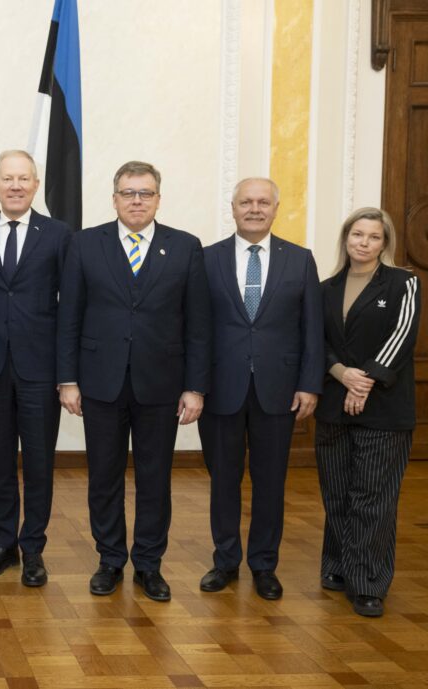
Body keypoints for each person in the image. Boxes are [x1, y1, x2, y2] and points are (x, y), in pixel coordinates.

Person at [57, 161, 211, 602]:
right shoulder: (85, 244)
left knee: (155, 477)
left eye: (145, 193)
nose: (137, 200)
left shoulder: (184, 247)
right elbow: (69, 317)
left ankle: (148, 564)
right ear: (115, 198)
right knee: (103, 476)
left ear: (159, 198)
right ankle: (109, 560)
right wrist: (67, 379)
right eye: (128, 193)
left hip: (162, 385)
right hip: (99, 383)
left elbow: (197, 324)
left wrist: (195, 387)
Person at [198, 178, 323, 600]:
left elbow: (312, 330)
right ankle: (225, 561)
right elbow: (195, 329)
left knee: (270, 481)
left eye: (263, 202)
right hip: (221, 388)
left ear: (276, 208)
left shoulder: (300, 260)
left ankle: (264, 564)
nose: (254, 209)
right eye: (246, 202)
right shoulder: (208, 259)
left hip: (279, 390)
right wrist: (194, 386)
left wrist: (309, 384)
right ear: (232, 208)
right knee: (223, 480)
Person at [0, 151, 71, 586]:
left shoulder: (60, 236)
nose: (16, 186)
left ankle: (34, 549)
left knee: (40, 464)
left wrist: (67, 376)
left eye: (24, 178)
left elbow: (71, 310)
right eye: (8, 178)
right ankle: (3, 544)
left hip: (41, 372)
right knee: (1, 463)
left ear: (36, 184)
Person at [315, 207, 420, 618]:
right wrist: (342, 374)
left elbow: (403, 335)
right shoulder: (326, 288)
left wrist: (366, 381)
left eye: (374, 237)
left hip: (385, 409)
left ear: (384, 243)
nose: (364, 242)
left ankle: (368, 583)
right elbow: (315, 340)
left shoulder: (403, 282)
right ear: (346, 239)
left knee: (372, 498)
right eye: (357, 234)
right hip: (333, 405)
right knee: (338, 493)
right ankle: (338, 567)